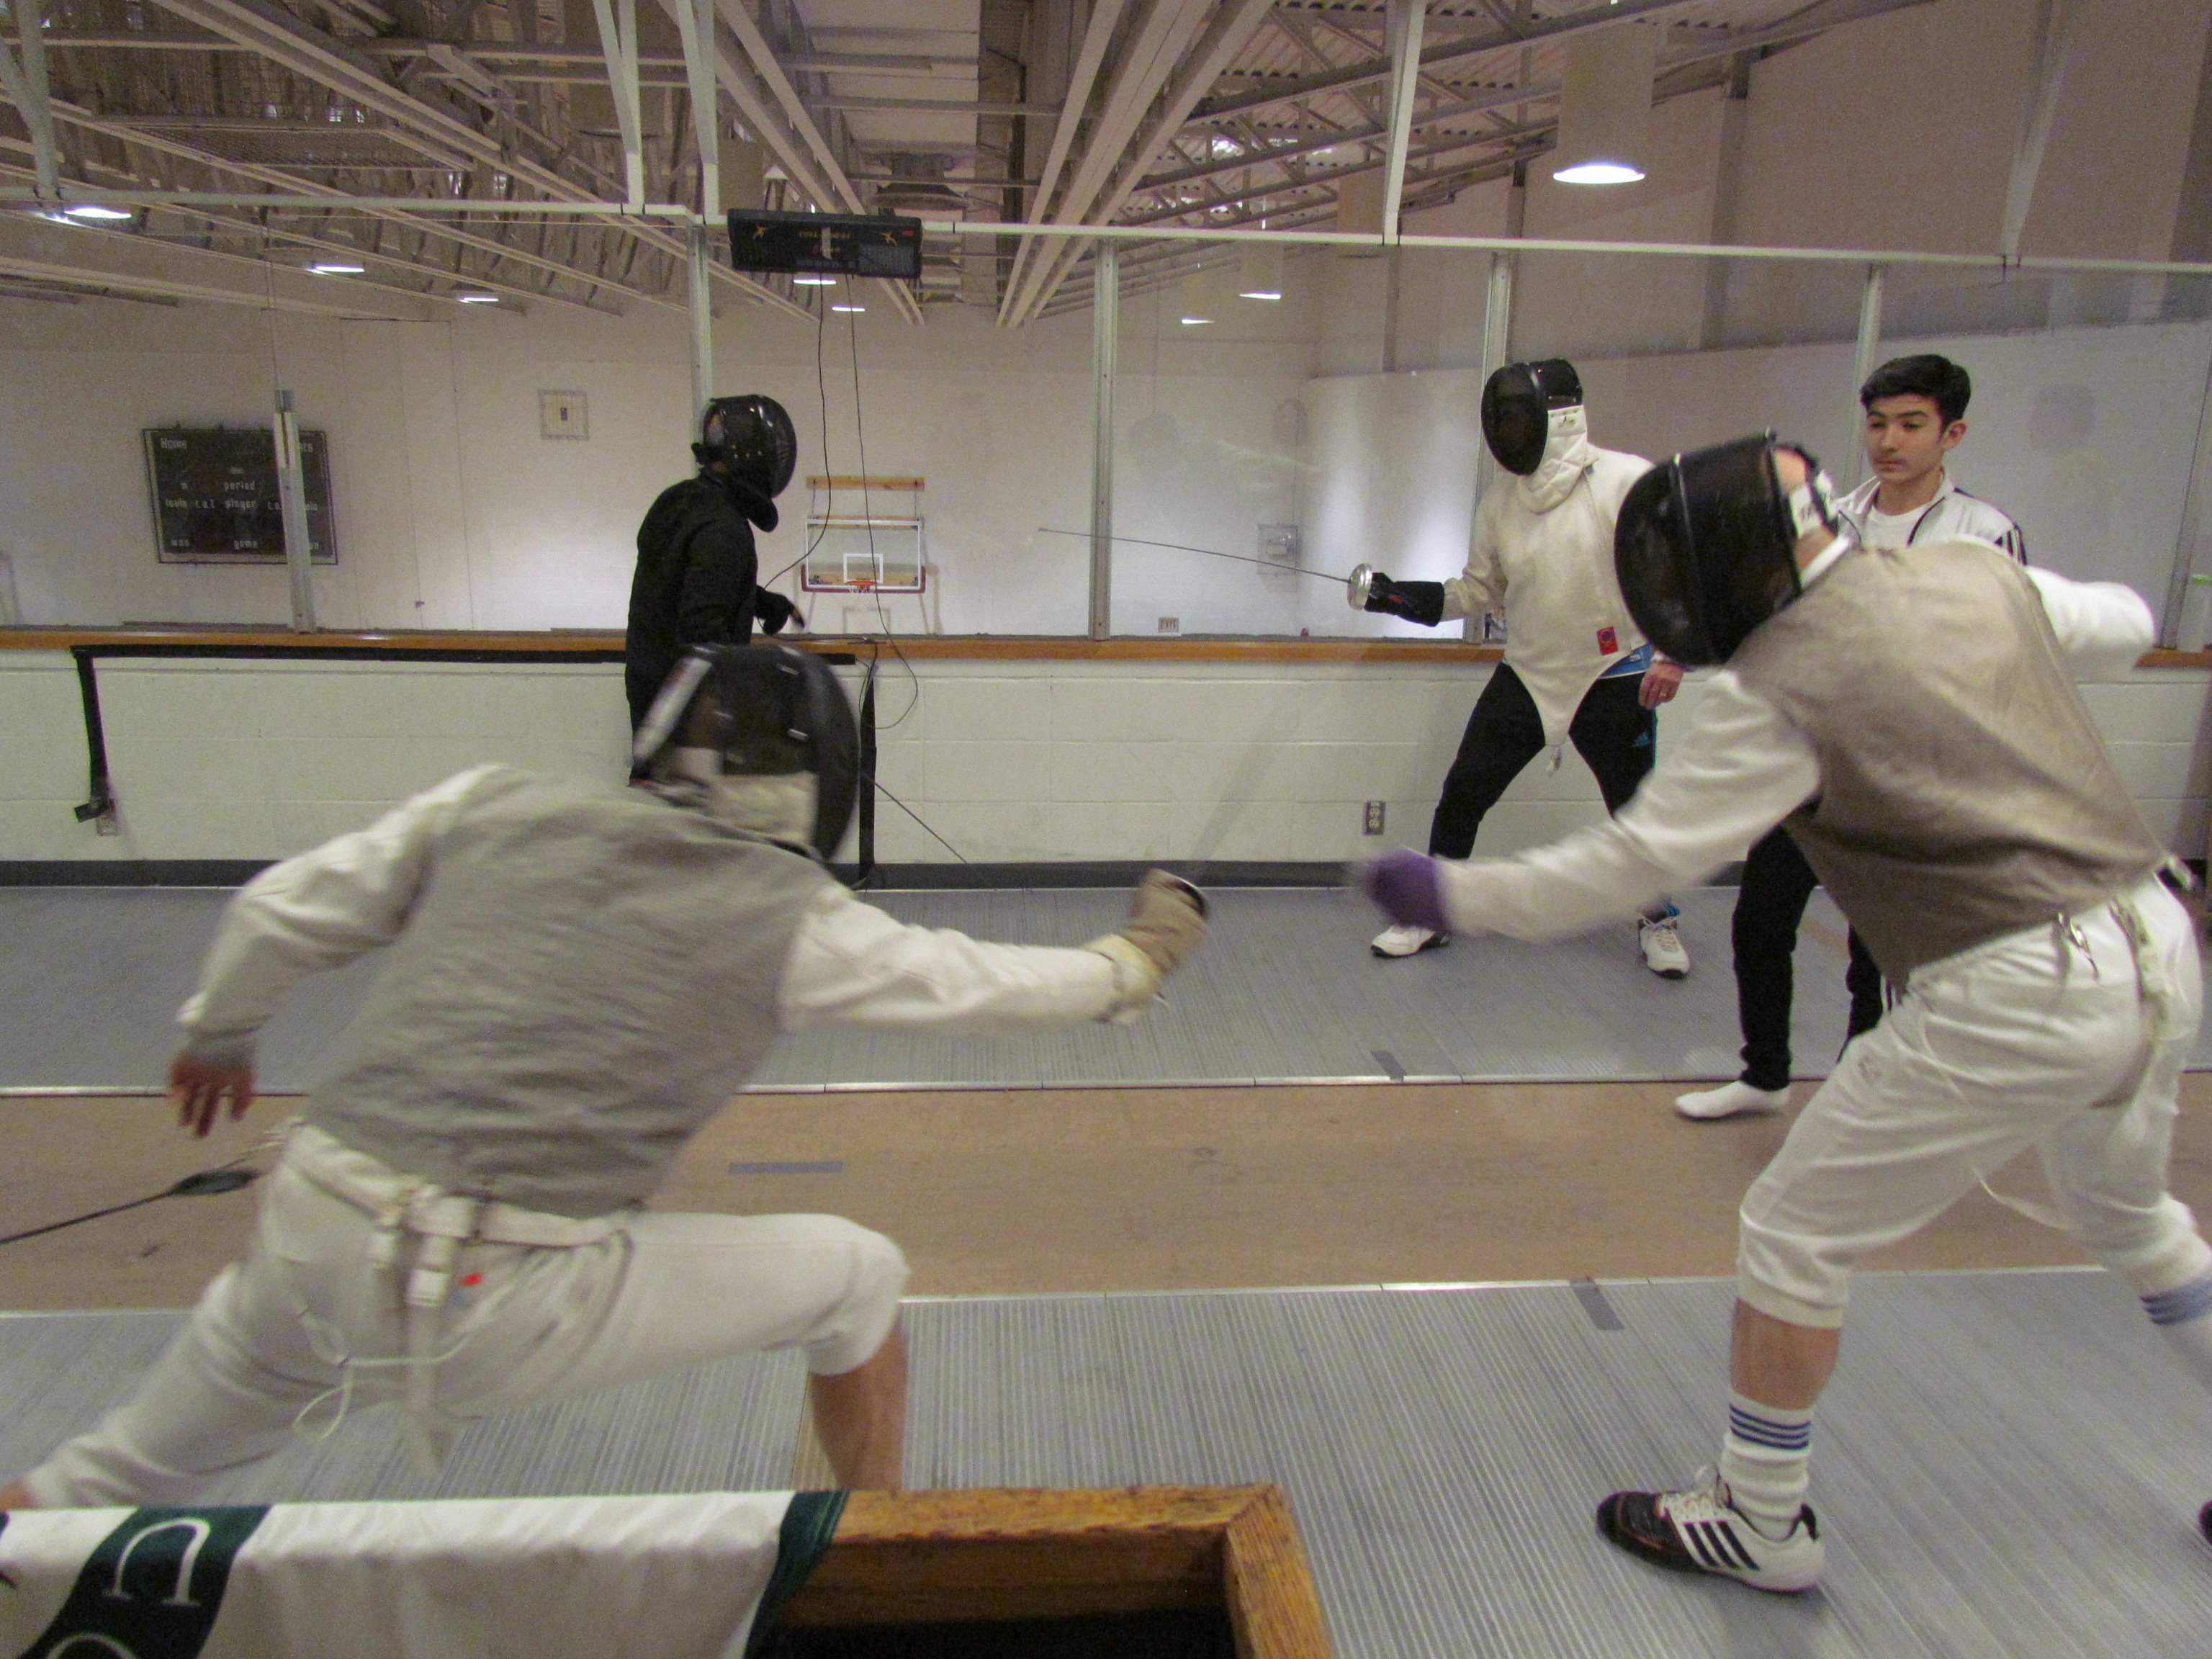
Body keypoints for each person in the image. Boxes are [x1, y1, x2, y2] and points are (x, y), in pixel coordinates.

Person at [0, 644, 1208, 1511]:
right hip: (503, 1286)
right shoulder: (788, 913)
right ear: (817, 784)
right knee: (858, 1272)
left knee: (95, 1482)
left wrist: (220, 1032)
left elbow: (275, 908)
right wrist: (1137, 956)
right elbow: (980, 983)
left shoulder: (491, 802)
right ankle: (867, 1556)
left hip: (311, 1226)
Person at [1364, 435, 2207, 1594]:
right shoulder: (1974, 573)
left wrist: (1453, 889)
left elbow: (1637, 862)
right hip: (2155, 941)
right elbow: (2129, 618)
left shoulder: (1780, 695)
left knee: (1794, 1233)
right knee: (2139, 1224)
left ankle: (1761, 1521)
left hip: (2020, 986)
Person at [1677, 354, 2026, 1120]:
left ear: (1952, 432)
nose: (1889, 441)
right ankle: (1764, 1075)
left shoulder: (1984, 533)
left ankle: (1862, 1088)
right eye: (1877, 424)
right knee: (1760, 922)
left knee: (1877, 950)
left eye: (1910, 424)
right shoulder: (1831, 521)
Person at [1351, 358, 1689, 977]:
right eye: (1497, 419)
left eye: (1513, 417)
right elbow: (1476, 591)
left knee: (1636, 808)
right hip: (1529, 674)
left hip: (1613, 673)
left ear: (1555, 418)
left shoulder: (1625, 481)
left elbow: (1675, 573)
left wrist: (1670, 655)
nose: (1504, 431)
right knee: (1463, 794)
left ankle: (1658, 920)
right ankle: (1431, 913)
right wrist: (1395, 596)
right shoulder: (1501, 503)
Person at [625, 395, 805, 732]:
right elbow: (701, 629)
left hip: (653, 698)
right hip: (689, 717)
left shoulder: (681, 501)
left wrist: (761, 603)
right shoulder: (722, 525)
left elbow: (684, 580)